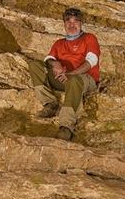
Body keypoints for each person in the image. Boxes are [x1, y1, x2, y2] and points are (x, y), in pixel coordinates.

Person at [28, 8, 101, 141]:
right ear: (64, 24)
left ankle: (66, 126)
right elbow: (48, 58)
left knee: (74, 80)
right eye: (68, 22)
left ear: (81, 23)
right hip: (64, 79)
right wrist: (54, 63)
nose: (72, 25)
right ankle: (50, 104)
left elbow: (92, 60)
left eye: (76, 22)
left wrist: (71, 74)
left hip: (85, 80)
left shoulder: (89, 38)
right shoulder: (59, 43)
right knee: (35, 65)